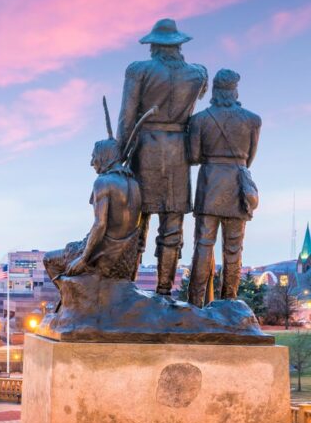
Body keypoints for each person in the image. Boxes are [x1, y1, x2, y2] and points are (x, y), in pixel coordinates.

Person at [117, 18, 208, 295]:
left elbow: (127, 116)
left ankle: (127, 288)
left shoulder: (138, 71)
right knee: (172, 226)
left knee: (136, 222)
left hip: (146, 149)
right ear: (179, 45)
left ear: (153, 45)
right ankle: (164, 290)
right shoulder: (198, 74)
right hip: (179, 151)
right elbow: (201, 95)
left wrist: (118, 156)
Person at [187, 69, 261, 307]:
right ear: (235, 90)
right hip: (237, 187)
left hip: (209, 185)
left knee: (203, 245)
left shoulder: (199, 120)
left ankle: (195, 302)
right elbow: (249, 158)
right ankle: (229, 301)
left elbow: (194, 156)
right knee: (234, 248)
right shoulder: (253, 120)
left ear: (215, 90)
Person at [44, 113, 143, 282]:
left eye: (94, 157)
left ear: (104, 156)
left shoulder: (103, 182)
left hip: (104, 255)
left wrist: (83, 259)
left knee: (49, 259)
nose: (92, 162)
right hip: (125, 257)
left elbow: (100, 225)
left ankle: (73, 298)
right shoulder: (134, 183)